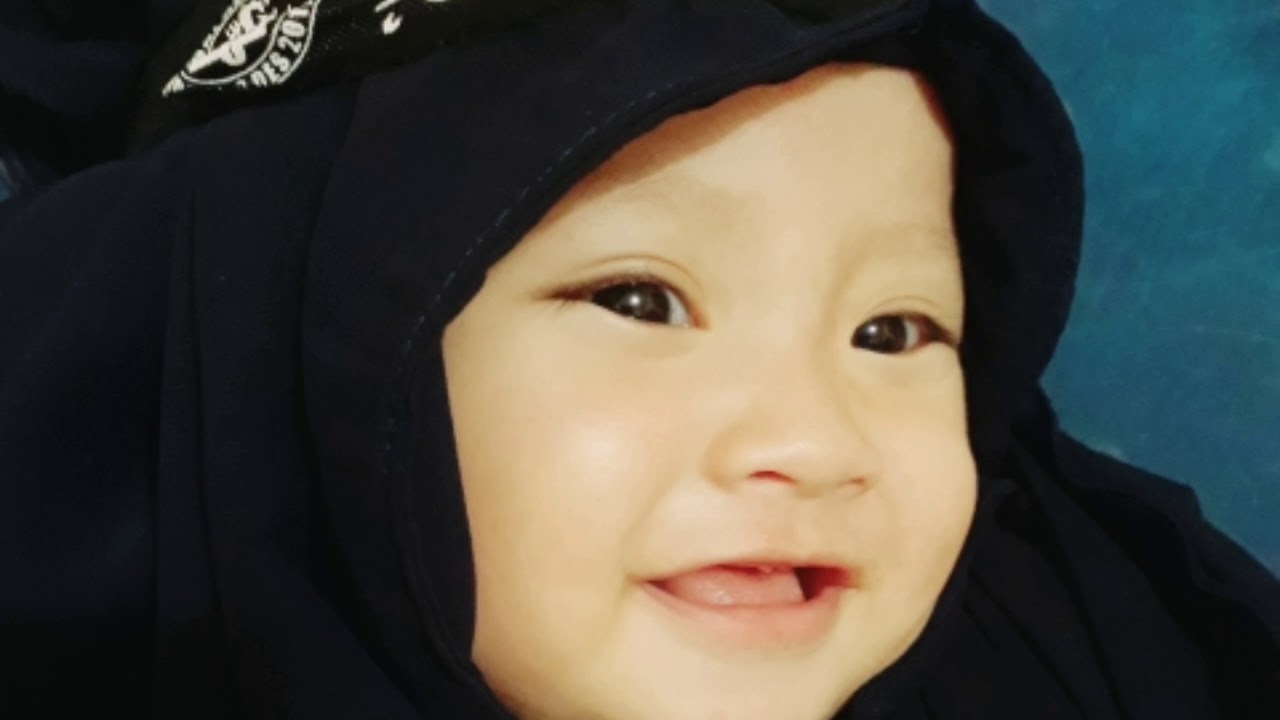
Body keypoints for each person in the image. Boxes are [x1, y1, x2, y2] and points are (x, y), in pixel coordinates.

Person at [0, 1, 1276, 718]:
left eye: (890, 331)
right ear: (292, 378)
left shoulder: (1087, 671)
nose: (811, 441)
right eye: (639, 300)